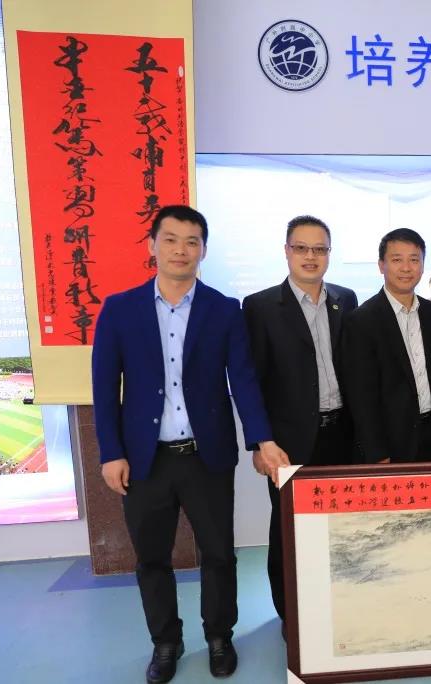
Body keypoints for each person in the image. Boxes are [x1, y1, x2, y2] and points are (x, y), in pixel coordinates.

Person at [92, 205, 285, 682]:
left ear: (204, 249)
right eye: (171, 239)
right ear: (152, 245)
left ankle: (219, 636)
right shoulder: (120, 309)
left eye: (192, 241)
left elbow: (243, 379)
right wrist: (111, 452)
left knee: (219, 553)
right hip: (145, 459)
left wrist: (261, 439)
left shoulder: (224, 308)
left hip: (206, 456)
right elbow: (104, 387)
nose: (181, 250)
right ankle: (166, 642)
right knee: (152, 558)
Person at [242, 214, 358, 631]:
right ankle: (290, 616)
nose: (311, 256)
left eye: (320, 249)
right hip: (289, 443)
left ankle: (335, 609)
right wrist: (260, 442)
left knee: (339, 528)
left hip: (342, 435)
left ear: (329, 253)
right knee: (289, 531)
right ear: (287, 251)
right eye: (302, 248)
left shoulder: (345, 299)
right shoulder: (260, 307)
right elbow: (250, 380)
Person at [343, 229, 431, 464]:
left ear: (422, 266)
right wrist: (376, 450)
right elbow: (360, 394)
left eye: (414, 260)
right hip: (389, 442)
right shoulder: (361, 320)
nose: (406, 268)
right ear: (381, 265)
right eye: (397, 260)